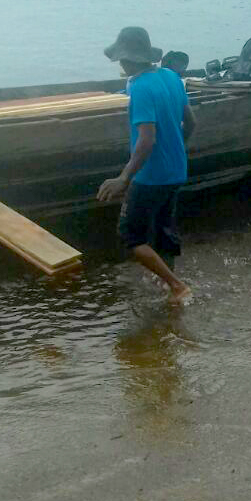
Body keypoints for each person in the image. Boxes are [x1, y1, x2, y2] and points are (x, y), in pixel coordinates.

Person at [96, 26, 195, 305]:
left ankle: (176, 287)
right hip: (176, 170)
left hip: (151, 175)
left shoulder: (140, 87)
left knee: (129, 235)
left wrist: (123, 178)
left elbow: (147, 140)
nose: (121, 64)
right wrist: (174, 148)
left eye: (121, 60)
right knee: (164, 228)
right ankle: (168, 282)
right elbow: (192, 123)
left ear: (128, 60)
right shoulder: (172, 77)